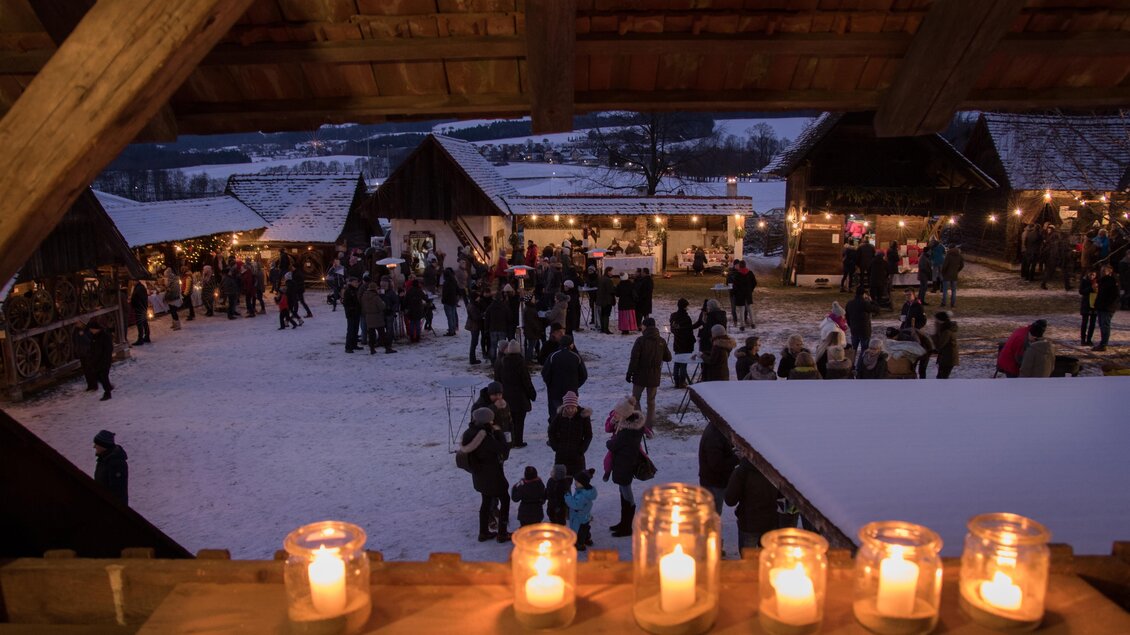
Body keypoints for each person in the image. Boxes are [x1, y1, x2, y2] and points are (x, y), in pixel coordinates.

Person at [459, 407, 511, 543]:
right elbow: (502, 448)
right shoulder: (483, 437)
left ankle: (483, 533)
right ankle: (502, 533)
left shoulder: (469, 432)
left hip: (479, 475)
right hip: (492, 474)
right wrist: (499, 433)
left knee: (486, 501)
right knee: (505, 499)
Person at [606, 403, 647, 538]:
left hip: (625, 465)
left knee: (627, 495)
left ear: (625, 415)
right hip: (625, 464)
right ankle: (623, 523)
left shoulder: (627, 432)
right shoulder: (633, 426)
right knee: (624, 493)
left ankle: (627, 527)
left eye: (618, 413)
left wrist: (609, 442)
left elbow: (613, 445)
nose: (615, 415)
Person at [724, 458, 778, 552]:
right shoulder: (776, 469)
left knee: (748, 559)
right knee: (767, 558)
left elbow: (730, 500)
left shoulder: (742, 471)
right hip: (770, 522)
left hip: (748, 523)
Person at [626, 317, 671, 426]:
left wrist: (629, 373)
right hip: (654, 376)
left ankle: (639, 421)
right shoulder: (661, 341)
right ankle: (650, 424)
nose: (641, 327)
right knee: (651, 401)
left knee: (635, 399)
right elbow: (668, 357)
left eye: (642, 325)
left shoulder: (640, 341)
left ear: (645, 326)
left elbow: (634, 359)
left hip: (640, 375)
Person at [497, 340, 536, 448]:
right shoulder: (521, 363)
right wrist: (532, 394)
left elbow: (498, 379)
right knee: (519, 421)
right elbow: (526, 381)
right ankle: (518, 441)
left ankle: (511, 441)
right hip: (520, 397)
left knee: (510, 421)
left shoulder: (502, 362)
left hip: (507, 396)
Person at [546, 391, 592, 476]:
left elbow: (588, 435)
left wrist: (582, 449)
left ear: (576, 406)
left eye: (572, 407)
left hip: (577, 456)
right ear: (564, 407)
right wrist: (556, 446)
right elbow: (551, 431)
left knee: (580, 480)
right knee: (561, 481)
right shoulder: (560, 416)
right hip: (561, 456)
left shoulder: (583, 416)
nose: (570, 410)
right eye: (568, 408)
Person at [541, 335, 587, 418]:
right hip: (571, 392)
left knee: (556, 414)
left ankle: (555, 424)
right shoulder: (576, 357)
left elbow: (545, 373)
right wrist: (575, 385)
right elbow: (584, 375)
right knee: (570, 413)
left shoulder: (553, 356)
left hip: (555, 391)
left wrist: (550, 384)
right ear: (570, 345)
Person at [698, 421, 737, 518]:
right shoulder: (714, 436)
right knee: (713, 515)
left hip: (713, 480)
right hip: (714, 482)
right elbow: (717, 465)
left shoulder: (717, 429)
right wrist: (737, 458)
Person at [669, 298, 700, 388]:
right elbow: (689, 331)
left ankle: (676, 380)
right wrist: (692, 341)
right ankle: (682, 381)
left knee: (677, 362)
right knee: (683, 363)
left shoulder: (674, 316)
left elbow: (673, 329)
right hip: (686, 343)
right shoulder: (686, 318)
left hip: (677, 342)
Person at [845, 286, 880, 363]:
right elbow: (877, 309)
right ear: (864, 294)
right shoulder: (865, 303)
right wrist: (872, 301)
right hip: (864, 331)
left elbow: (847, 317)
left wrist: (851, 326)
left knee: (853, 349)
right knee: (864, 350)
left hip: (854, 330)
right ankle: (860, 365)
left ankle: (851, 365)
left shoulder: (849, 303)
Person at [565, 468, 597, 551]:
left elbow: (575, 505)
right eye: (575, 481)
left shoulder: (582, 495)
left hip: (578, 517)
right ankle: (587, 539)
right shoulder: (584, 491)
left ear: (583, 483)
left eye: (577, 482)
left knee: (578, 531)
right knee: (585, 528)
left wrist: (567, 497)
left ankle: (579, 544)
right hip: (584, 516)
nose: (575, 483)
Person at [93, 429, 128, 505]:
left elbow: (118, 493)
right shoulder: (103, 460)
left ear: (103, 446)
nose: (94, 446)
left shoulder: (116, 464)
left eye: (96, 444)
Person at [361, 281, 394, 354]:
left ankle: (372, 349)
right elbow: (382, 306)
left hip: (369, 317)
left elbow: (363, 306)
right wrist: (383, 303)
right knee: (382, 333)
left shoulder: (364, 296)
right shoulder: (376, 297)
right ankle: (387, 348)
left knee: (371, 334)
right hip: (377, 317)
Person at [1093, 263, 1119, 352]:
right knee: (1102, 325)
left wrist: (1108, 304)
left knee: (1105, 325)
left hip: (1107, 307)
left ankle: (1103, 344)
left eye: (1104, 271)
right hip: (1101, 306)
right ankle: (1102, 343)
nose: (1102, 272)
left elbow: (1115, 295)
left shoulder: (1112, 281)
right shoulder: (1102, 280)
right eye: (1101, 271)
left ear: (1109, 271)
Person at [86, 318, 114, 400]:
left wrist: (105, 359)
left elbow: (108, 349)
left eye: (91, 329)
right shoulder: (94, 336)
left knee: (103, 377)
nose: (91, 330)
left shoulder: (104, 336)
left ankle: (107, 393)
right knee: (99, 376)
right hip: (97, 361)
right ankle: (108, 387)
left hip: (104, 361)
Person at [731, 260, 757, 330]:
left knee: (741, 310)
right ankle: (753, 323)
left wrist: (734, 293)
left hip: (740, 295)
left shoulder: (737, 275)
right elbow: (754, 282)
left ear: (740, 266)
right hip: (748, 293)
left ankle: (742, 325)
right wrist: (750, 289)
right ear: (745, 265)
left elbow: (735, 286)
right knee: (750, 309)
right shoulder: (750, 273)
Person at [933, 311, 959, 379]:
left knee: (942, 378)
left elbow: (940, 345)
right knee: (941, 377)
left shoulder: (946, 332)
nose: (935, 322)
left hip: (948, 359)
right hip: (945, 358)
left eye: (936, 321)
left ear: (941, 321)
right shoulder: (943, 330)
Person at [341, 277, 362, 353]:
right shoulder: (348, 291)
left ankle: (354, 344)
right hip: (351, 313)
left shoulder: (355, 290)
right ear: (351, 282)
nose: (357, 283)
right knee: (350, 330)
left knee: (355, 329)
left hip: (356, 313)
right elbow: (346, 303)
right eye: (355, 282)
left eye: (357, 282)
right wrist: (352, 309)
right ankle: (348, 347)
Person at [940, 244, 964, 308]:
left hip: (947, 275)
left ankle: (944, 303)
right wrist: (957, 270)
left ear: (950, 248)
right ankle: (952, 304)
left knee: (945, 290)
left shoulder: (948, 255)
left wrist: (943, 272)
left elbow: (945, 266)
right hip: (954, 275)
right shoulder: (959, 255)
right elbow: (962, 265)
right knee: (953, 291)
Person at [595, 266, 617, 334]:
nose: (612, 273)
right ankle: (606, 329)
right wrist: (615, 289)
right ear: (608, 272)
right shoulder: (608, 280)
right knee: (606, 315)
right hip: (607, 300)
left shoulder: (601, 279)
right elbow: (611, 290)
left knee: (602, 314)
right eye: (611, 271)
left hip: (601, 299)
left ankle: (602, 328)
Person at [1079, 270, 1098, 346]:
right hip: (1086, 304)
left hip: (1094, 304)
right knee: (1084, 322)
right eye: (1090, 275)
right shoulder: (1084, 281)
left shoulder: (1097, 282)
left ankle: (1089, 339)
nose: (1092, 276)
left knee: (1092, 323)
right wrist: (1090, 288)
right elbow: (1081, 291)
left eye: (1093, 275)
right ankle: (1083, 339)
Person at [441, 267, 460, 336]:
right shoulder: (454, 281)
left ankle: (451, 331)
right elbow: (458, 290)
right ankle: (453, 329)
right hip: (453, 300)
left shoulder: (446, 283)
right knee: (453, 315)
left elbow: (445, 293)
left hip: (447, 301)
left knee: (449, 317)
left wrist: (443, 300)